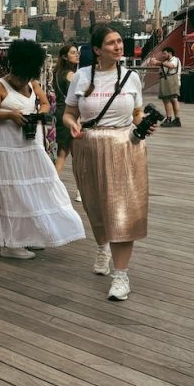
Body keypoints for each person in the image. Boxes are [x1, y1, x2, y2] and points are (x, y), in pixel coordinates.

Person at [63, 23, 155, 299]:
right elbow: (68, 112)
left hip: (125, 147)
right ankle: (102, 247)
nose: (118, 46)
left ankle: (121, 276)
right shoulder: (81, 77)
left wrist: (144, 125)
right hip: (89, 147)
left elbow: (137, 113)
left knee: (121, 212)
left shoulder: (131, 77)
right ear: (96, 50)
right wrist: (71, 124)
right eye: (111, 43)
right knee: (96, 207)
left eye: (119, 41)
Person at [0, 40, 85, 260]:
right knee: (13, 195)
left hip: (31, 146)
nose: (22, 80)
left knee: (38, 189)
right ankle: (10, 244)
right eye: (20, 76)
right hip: (8, 149)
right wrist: (9, 115)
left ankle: (29, 235)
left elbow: (46, 103)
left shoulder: (32, 83)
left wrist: (37, 111)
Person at [52, 44, 81, 198]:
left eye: (77, 52)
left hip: (59, 112)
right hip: (71, 115)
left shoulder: (56, 73)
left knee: (62, 153)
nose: (77, 55)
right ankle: (79, 191)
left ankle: (52, 185)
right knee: (76, 156)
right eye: (73, 53)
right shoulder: (72, 75)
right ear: (64, 56)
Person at [156, 46, 182, 127]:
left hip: (172, 82)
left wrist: (159, 63)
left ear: (170, 53)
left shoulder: (175, 60)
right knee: (170, 100)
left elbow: (171, 66)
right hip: (169, 82)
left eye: (164, 53)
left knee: (171, 100)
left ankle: (170, 118)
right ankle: (174, 119)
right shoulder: (167, 61)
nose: (163, 55)